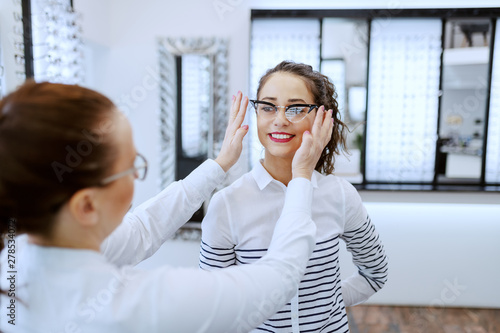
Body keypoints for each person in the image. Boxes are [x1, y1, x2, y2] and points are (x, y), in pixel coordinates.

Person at [0, 81, 334, 332]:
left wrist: (219, 165)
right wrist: (302, 176)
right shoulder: (141, 305)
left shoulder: (14, 260)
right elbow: (278, 279)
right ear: (86, 206)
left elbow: (143, 227)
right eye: (132, 165)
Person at [200, 61, 389, 333]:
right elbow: (213, 303)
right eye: (268, 106)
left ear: (321, 117)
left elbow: (375, 273)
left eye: (297, 108)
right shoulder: (227, 204)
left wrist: (328, 303)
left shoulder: (340, 195)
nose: (280, 119)